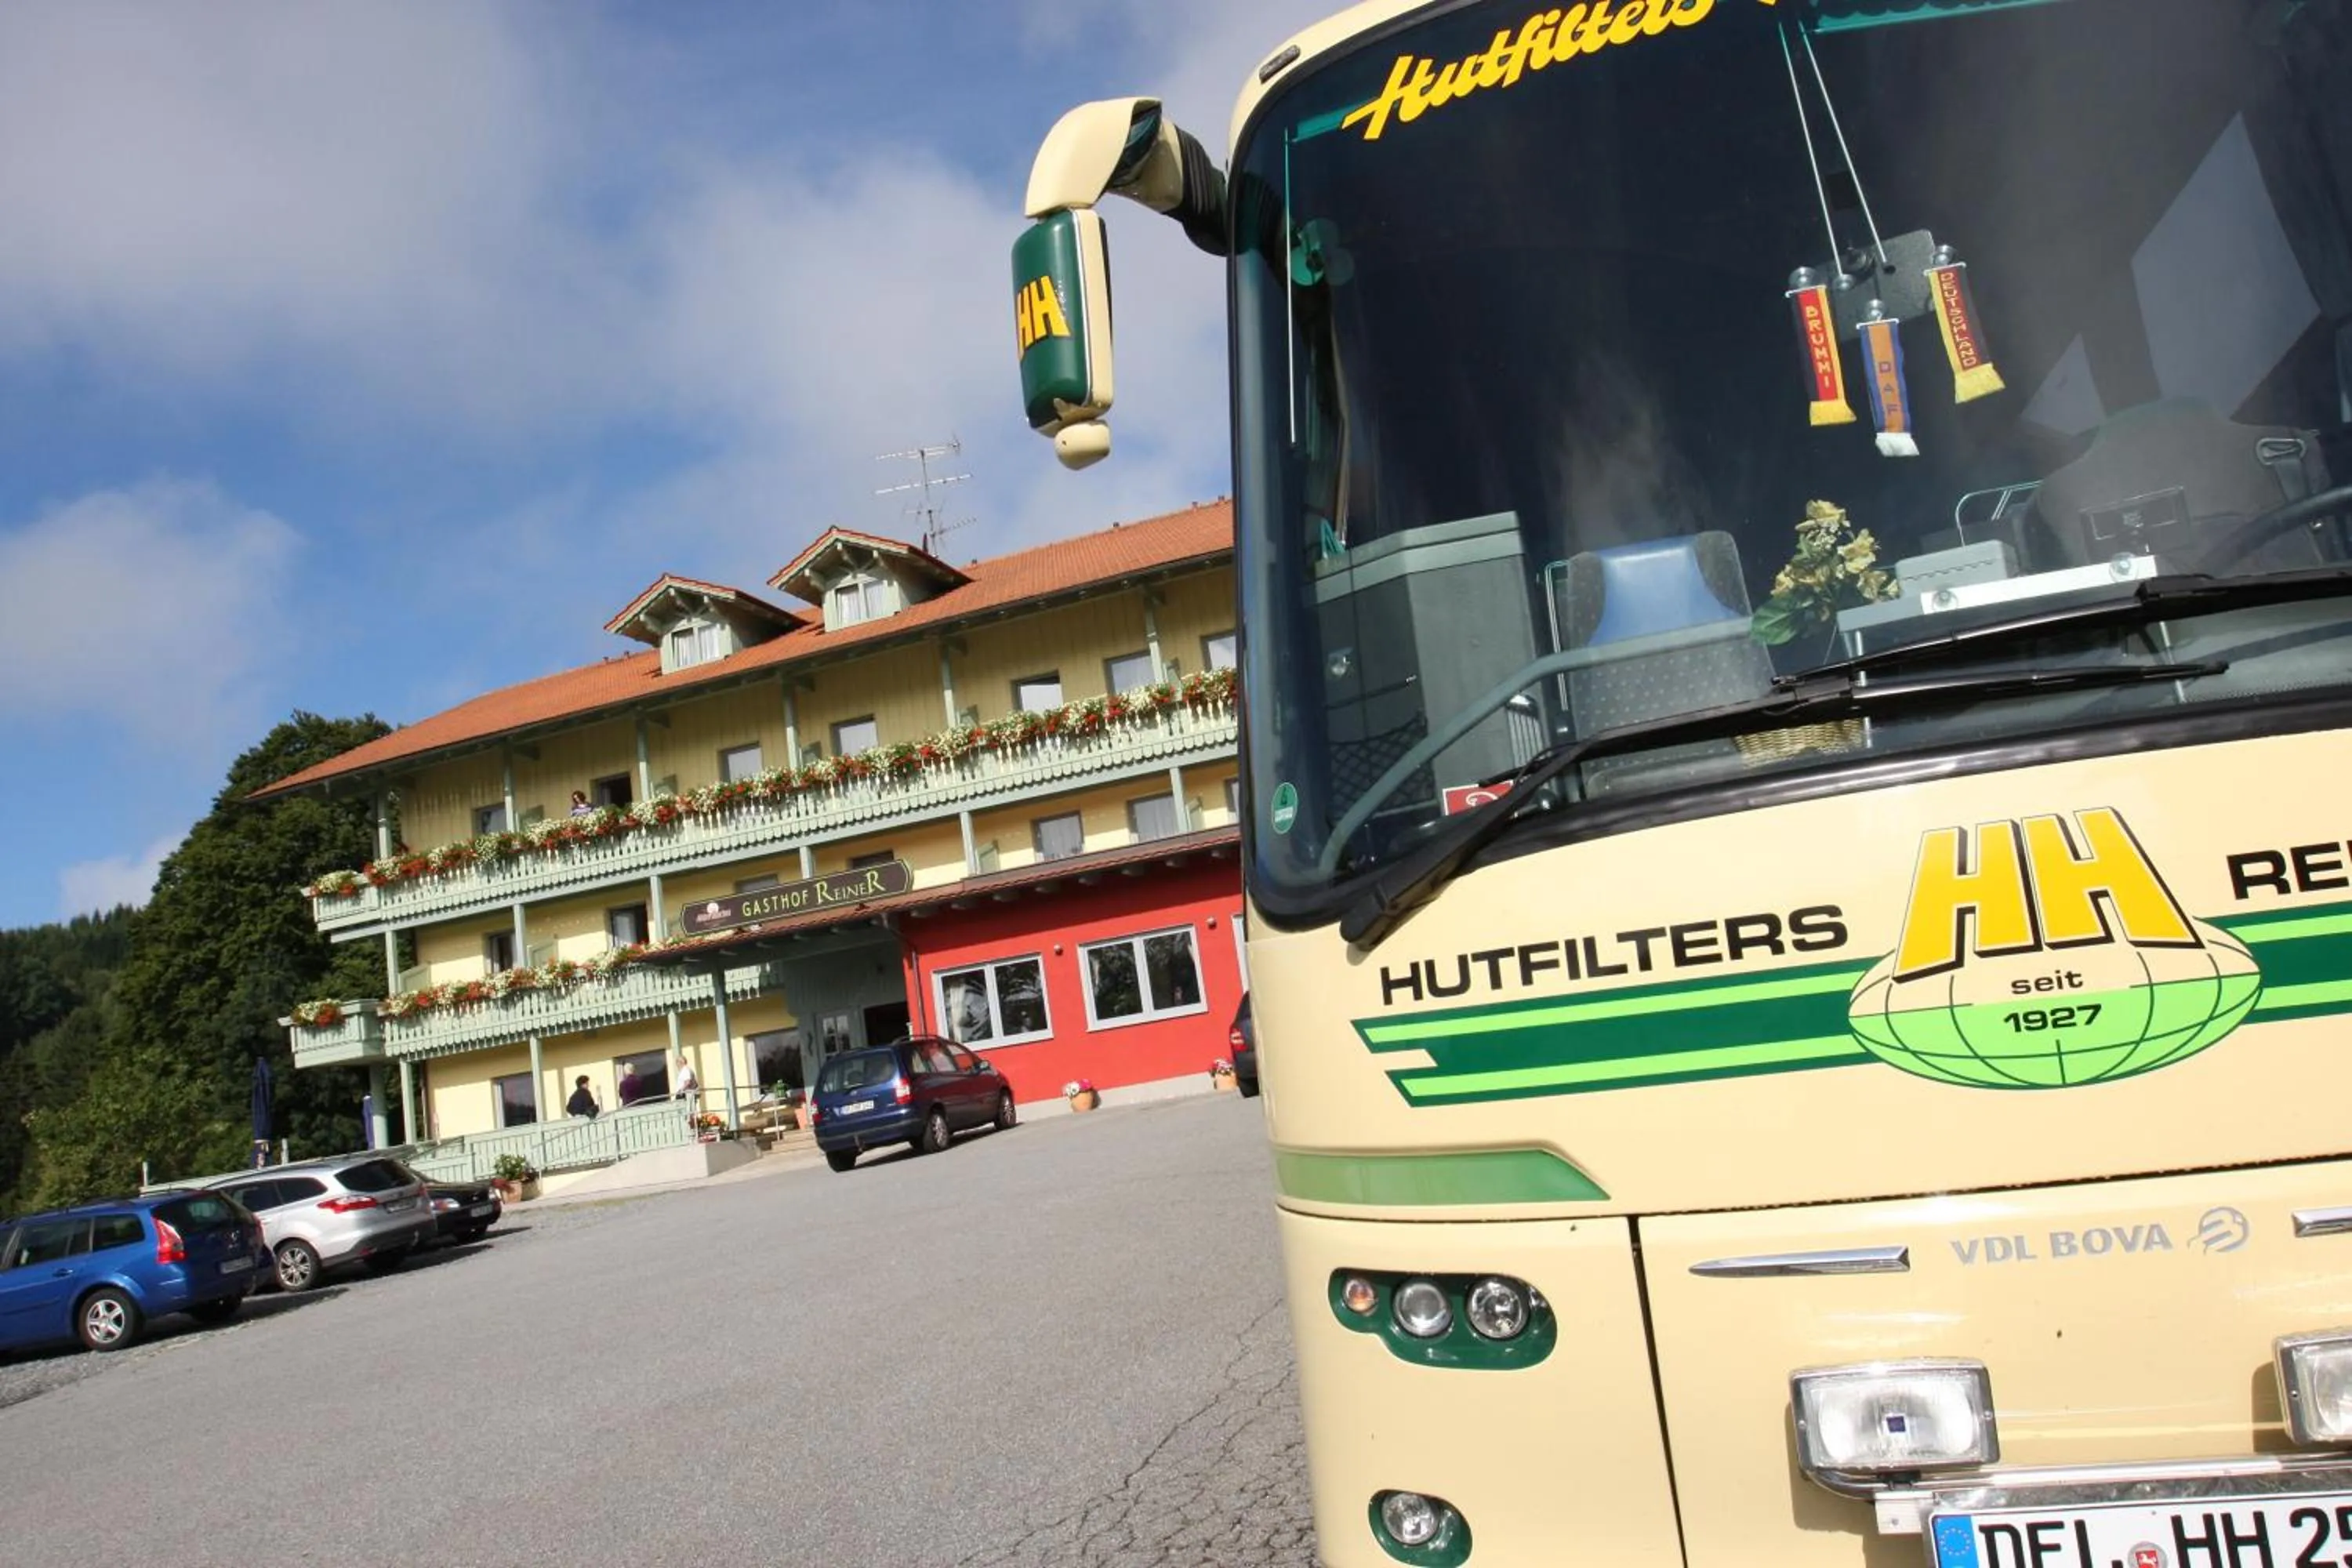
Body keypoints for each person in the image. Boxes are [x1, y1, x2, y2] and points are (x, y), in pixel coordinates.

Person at [673, 1050, 700, 1116]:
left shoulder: (685, 1070)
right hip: (688, 1095)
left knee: (688, 1113)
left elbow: (688, 1082)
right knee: (689, 1112)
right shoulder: (687, 1070)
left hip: (685, 1095)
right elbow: (695, 1083)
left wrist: (681, 1090)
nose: (677, 1065)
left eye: (677, 1063)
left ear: (681, 1062)